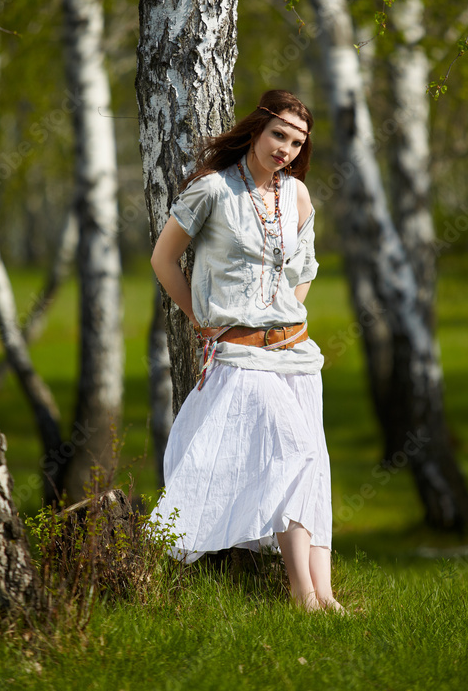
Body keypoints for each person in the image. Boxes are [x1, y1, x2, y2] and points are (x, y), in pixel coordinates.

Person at [149, 89, 343, 612]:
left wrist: (283, 310)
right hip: (238, 355)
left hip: (297, 354)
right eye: (278, 133)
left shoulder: (298, 196)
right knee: (295, 454)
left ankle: (325, 597)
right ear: (256, 129)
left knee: (311, 467)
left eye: (297, 141)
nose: (285, 147)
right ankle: (303, 597)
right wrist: (202, 321)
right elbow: (164, 260)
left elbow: (303, 271)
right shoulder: (211, 190)